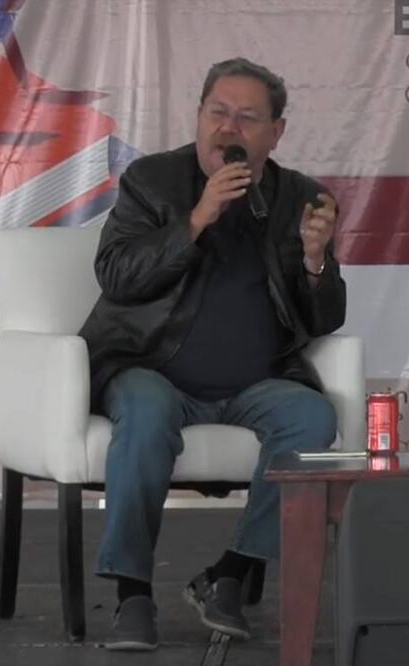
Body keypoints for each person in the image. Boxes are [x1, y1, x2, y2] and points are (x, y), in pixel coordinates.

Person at [78, 58, 345, 650]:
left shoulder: (298, 196)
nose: (229, 129)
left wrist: (315, 263)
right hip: (150, 369)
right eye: (217, 113)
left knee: (312, 417)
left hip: (253, 383)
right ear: (198, 117)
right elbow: (118, 276)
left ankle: (231, 573)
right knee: (144, 415)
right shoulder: (151, 182)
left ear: (276, 133)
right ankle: (132, 594)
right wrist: (198, 219)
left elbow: (324, 318)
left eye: (247, 119)